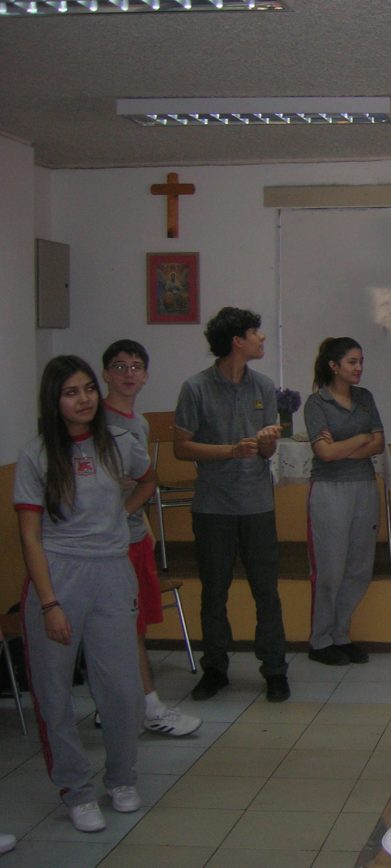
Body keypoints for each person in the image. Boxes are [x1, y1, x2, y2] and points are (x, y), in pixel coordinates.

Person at [15, 356, 156, 832]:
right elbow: (30, 536)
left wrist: (124, 512)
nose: (84, 399)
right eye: (71, 392)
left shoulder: (119, 442)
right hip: (58, 576)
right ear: (55, 402)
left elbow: (148, 479)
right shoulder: (37, 454)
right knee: (55, 694)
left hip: (112, 573)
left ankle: (121, 777)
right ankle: (75, 789)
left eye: (88, 389)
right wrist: (49, 602)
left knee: (122, 690)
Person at [174, 306, 289, 703]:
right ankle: (215, 669)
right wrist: (228, 451)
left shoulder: (264, 387)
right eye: (256, 333)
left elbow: (265, 451)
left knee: (266, 590)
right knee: (214, 591)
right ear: (236, 341)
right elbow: (181, 447)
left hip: (257, 503)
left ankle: (275, 668)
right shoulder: (195, 388)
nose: (262, 339)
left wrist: (268, 442)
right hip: (213, 507)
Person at [100, 339, 201, 736]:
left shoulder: (138, 424)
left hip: (134, 534)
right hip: (107, 542)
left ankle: (118, 702)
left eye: (136, 366)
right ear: (106, 373)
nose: (128, 374)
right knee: (124, 626)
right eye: (120, 366)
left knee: (134, 624)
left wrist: (145, 525)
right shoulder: (96, 421)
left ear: (145, 375)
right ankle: (147, 707)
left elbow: (143, 482)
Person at [303, 336, 384, 666]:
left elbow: (378, 443)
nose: (359, 368)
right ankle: (320, 640)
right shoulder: (316, 403)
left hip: (363, 486)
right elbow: (324, 453)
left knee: (359, 567)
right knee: (331, 570)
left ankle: (341, 635)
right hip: (329, 490)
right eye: (352, 362)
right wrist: (360, 438)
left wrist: (346, 445)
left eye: (361, 361)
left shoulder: (365, 398)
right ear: (333, 366)